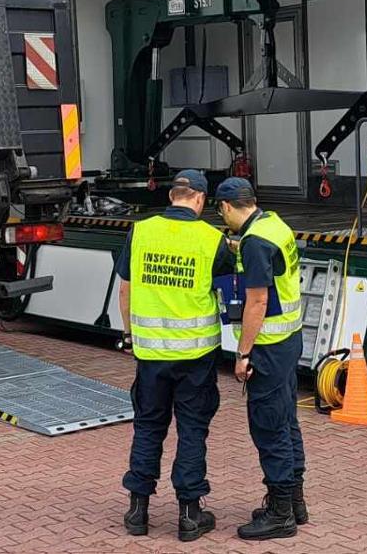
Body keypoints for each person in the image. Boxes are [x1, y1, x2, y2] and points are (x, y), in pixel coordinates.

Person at [117, 169, 234, 542]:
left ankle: (138, 511)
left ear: (172, 197)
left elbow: (125, 288)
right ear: (199, 199)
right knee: (192, 429)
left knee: (148, 427)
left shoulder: (141, 231)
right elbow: (230, 294)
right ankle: (189, 514)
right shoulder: (213, 240)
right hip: (197, 356)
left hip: (150, 353)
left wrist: (129, 334)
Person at [215, 176, 307, 541]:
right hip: (289, 340)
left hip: (267, 348)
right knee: (287, 422)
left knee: (269, 428)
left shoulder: (254, 242)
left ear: (225, 207)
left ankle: (280, 514)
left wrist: (243, 353)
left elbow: (257, 301)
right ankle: (294, 502)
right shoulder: (274, 224)